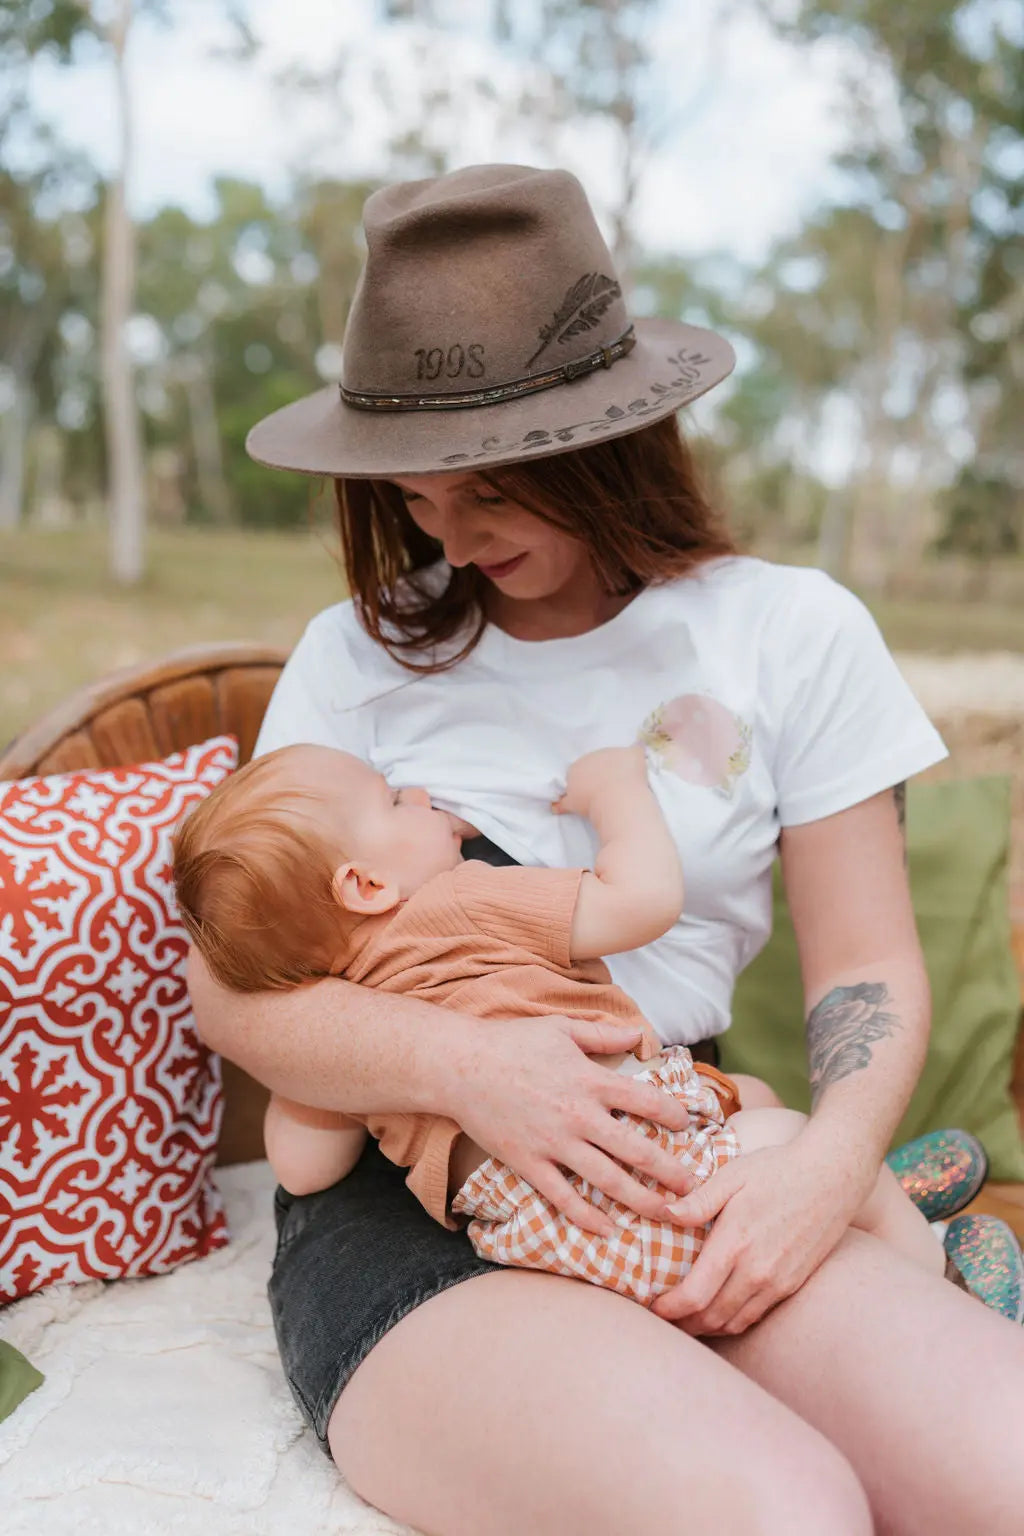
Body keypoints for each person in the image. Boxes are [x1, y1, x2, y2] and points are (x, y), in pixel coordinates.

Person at [188, 164, 1024, 1535]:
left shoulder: (789, 634)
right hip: (424, 1193)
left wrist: (819, 1175)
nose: (445, 542)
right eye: (413, 500)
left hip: (681, 1148)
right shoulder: (358, 660)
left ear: (603, 446)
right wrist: (465, 1064)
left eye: (489, 497)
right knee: (780, 1511)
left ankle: (898, 1206)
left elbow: (863, 967)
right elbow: (233, 987)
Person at [174, 741, 948, 1300]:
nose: (418, 795)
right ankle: (939, 1273)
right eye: (391, 796)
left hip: (548, 1254)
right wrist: (617, 793)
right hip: (658, 1182)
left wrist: (305, 1086)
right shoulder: (459, 900)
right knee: (822, 1161)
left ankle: (885, 1208)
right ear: (369, 884)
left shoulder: (350, 1032)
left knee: (746, 1093)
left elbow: (304, 1169)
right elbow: (644, 899)